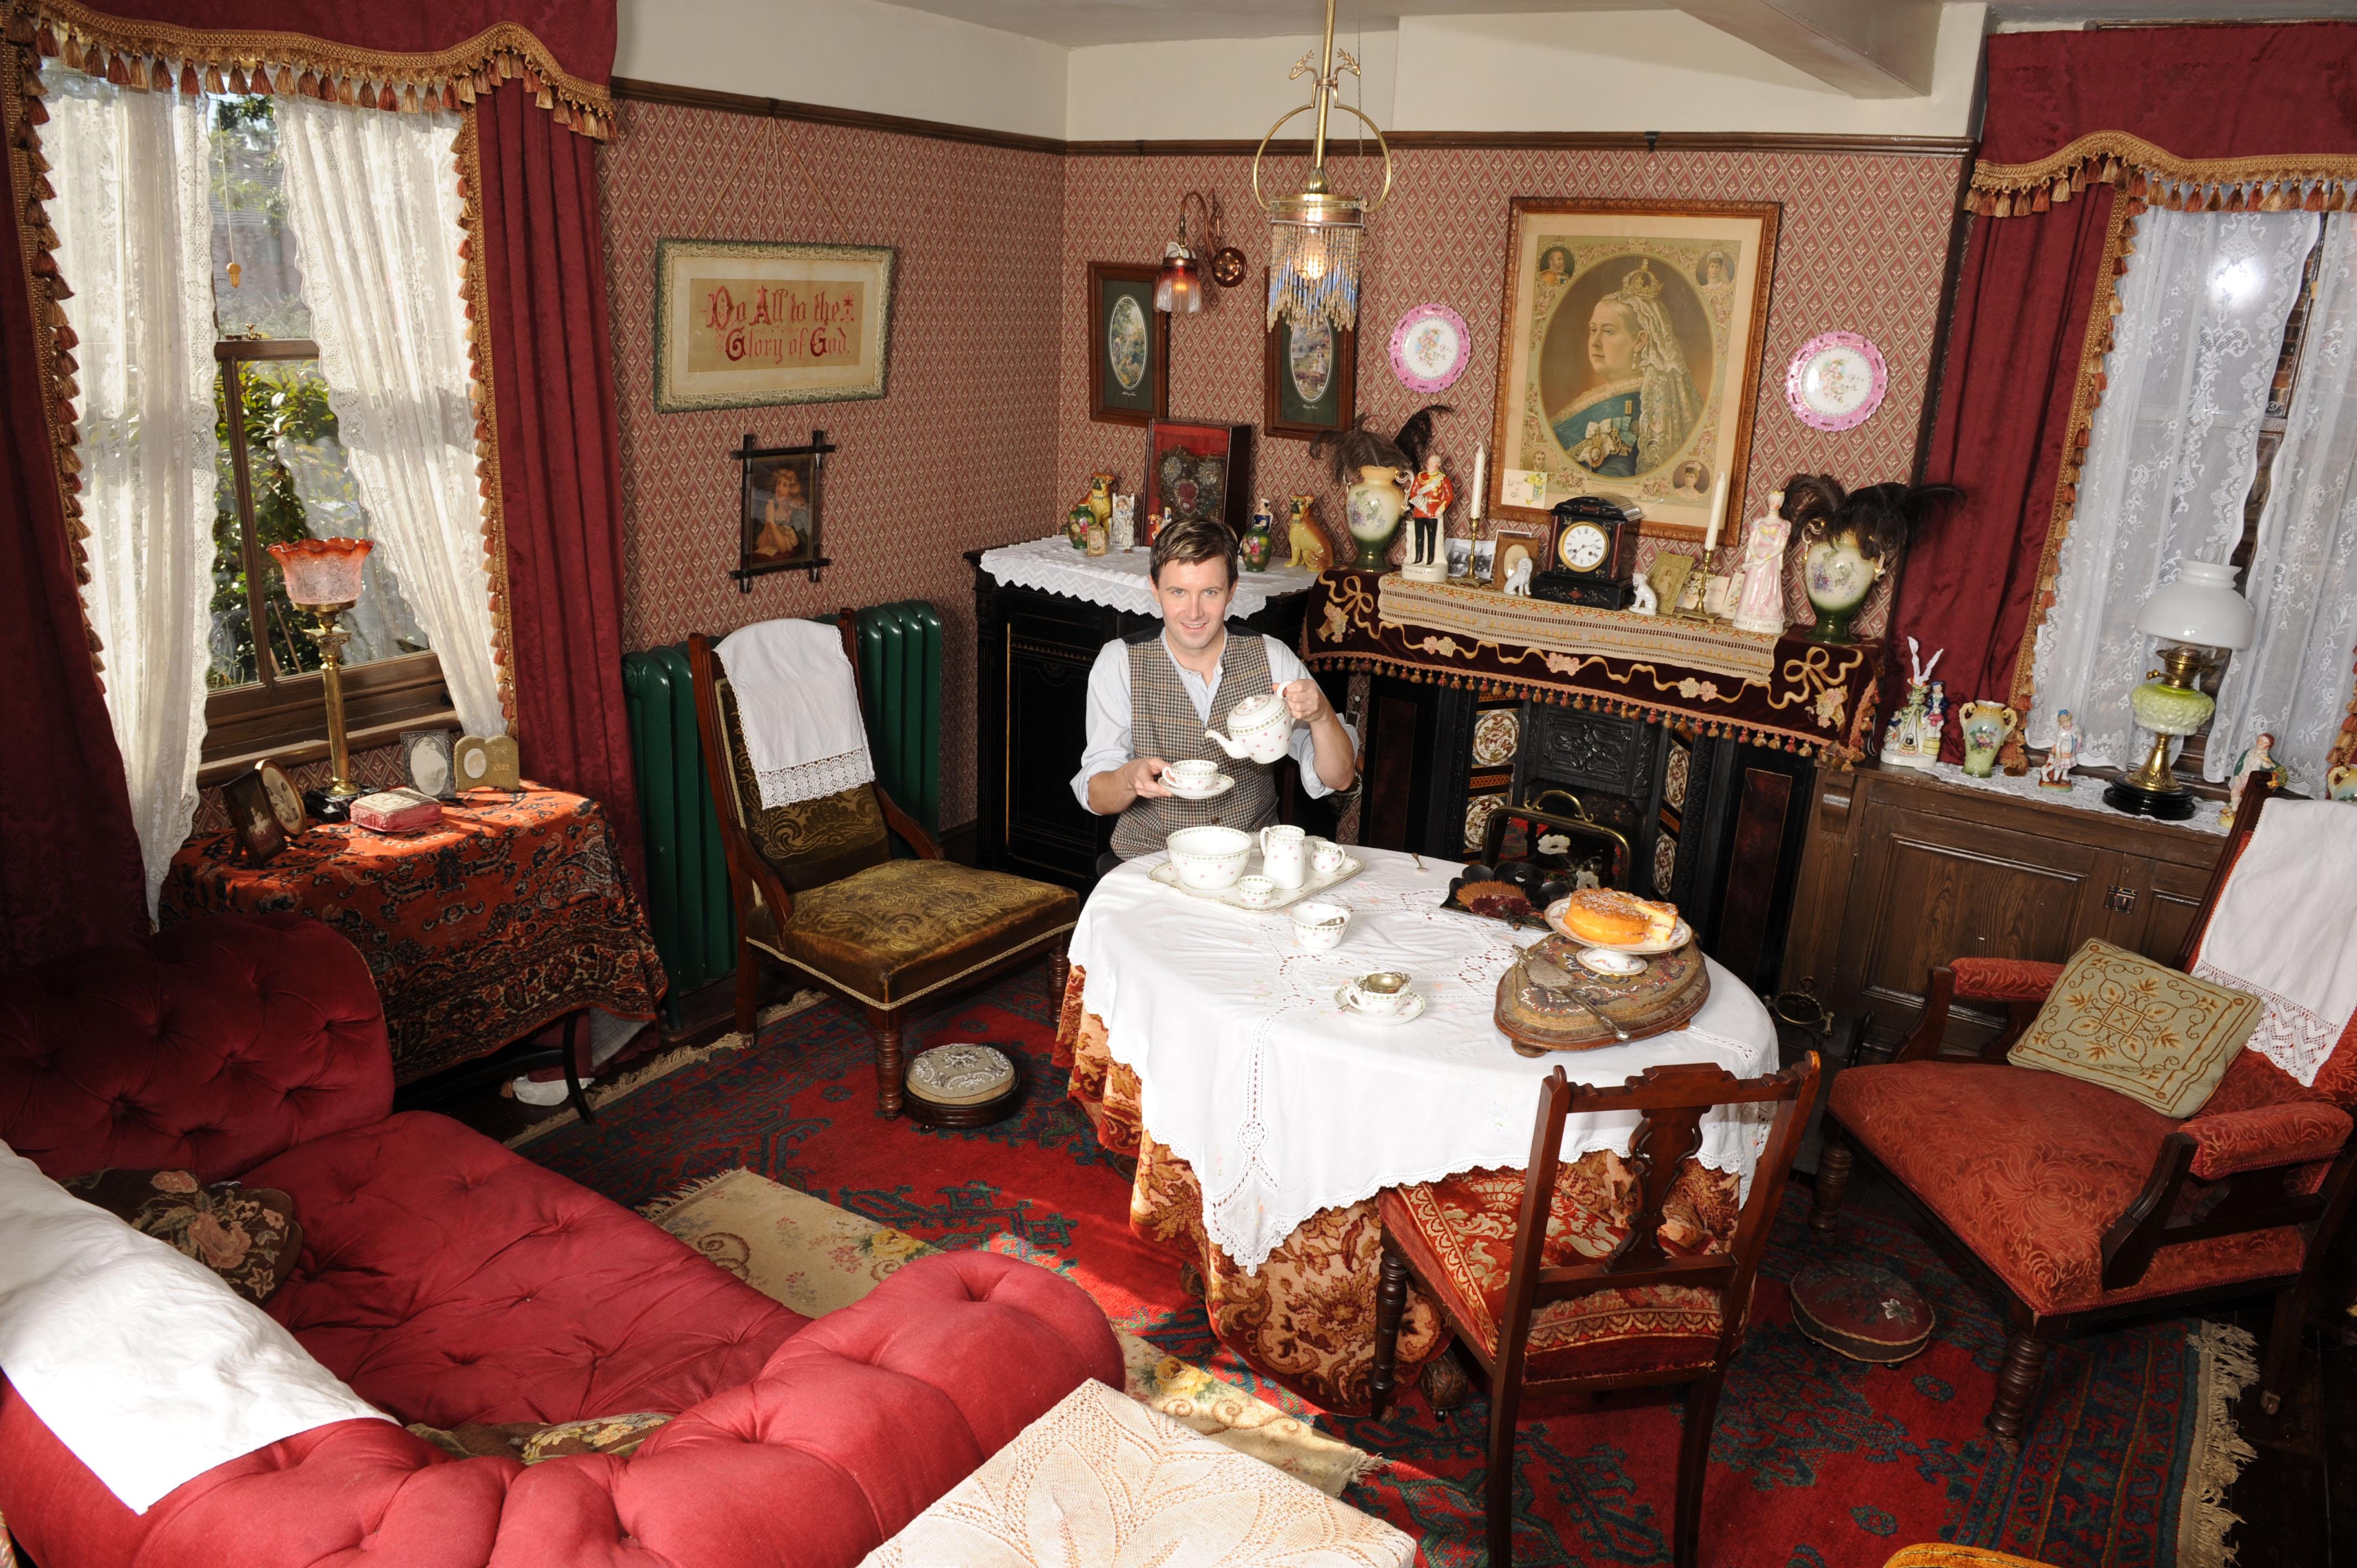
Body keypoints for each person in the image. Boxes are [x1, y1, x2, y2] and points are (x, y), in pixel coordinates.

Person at [1075, 518, 1358, 869]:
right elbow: (1096, 793)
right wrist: (1128, 778)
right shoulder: (1118, 662)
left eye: (1210, 592)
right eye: (1178, 592)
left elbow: (1340, 778)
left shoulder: (1272, 657)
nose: (1194, 613)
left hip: (1251, 864)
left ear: (1232, 590)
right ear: (1155, 588)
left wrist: (1323, 716)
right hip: (1150, 864)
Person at [1550, 260, 1703, 479]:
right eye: (1593, 330)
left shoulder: (1637, 409)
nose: (1594, 341)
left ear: (1640, 341)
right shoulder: (1601, 398)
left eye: (1609, 331)